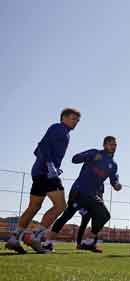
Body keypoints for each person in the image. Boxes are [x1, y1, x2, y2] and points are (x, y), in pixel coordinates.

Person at [4, 108, 80, 254]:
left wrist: (50, 165)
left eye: (77, 120)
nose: (75, 122)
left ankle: (14, 239)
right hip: (46, 173)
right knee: (60, 206)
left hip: (38, 171)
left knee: (34, 206)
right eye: (73, 118)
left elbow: (37, 149)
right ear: (63, 118)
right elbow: (43, 146)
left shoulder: (63, 132)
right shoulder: (58, 128)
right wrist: (50, 165)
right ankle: (34, 237)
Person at [45, 136, 122, 253]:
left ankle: (88, 242)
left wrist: (117, 185)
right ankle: (48, 243)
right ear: (104, 145)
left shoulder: (113, 165)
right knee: (67, 215)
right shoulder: (94, 153)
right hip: (79, 190)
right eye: (111, 144)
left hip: (93, 195)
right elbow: (74, 159)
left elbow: (113, 181)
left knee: (104, 216)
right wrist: (87, 157)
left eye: (115, 145)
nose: (113, 147)